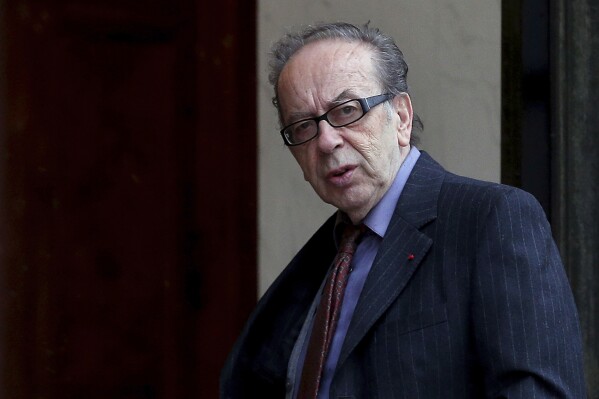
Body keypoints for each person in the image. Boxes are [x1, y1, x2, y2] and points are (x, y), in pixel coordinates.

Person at [220, 22, 586, 398]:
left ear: (402, 118)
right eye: (302, 127)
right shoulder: (324, 260)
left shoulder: (492, 219)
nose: (327, 141)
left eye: (346, 110)